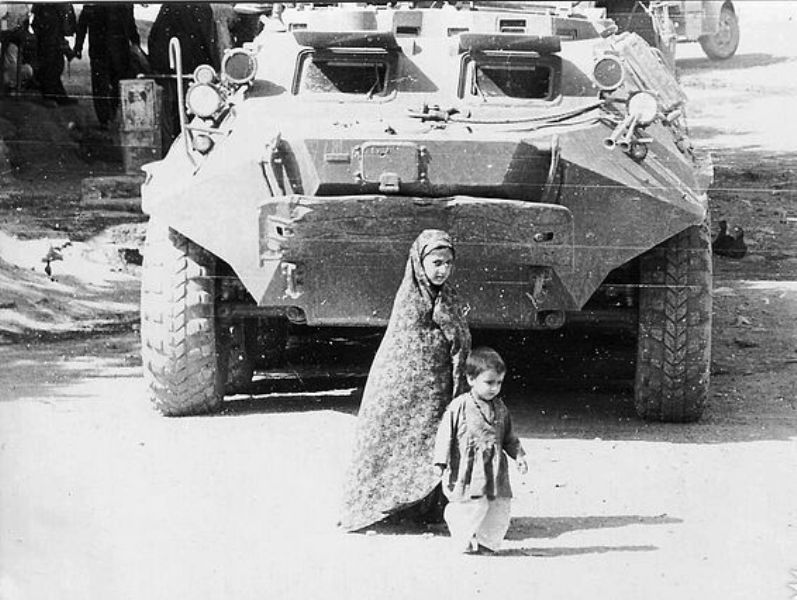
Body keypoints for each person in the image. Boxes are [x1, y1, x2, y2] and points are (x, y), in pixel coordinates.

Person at [339, 229, 471, 532]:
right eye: (436, 263)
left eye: (448, 263)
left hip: (439, 386)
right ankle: (393, 508)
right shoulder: (411, 301)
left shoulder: (448, 296)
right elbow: (407, 347)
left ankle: (429, 508)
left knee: (437, 440)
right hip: (409, 390)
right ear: (419, 263)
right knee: (405, 442)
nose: (443, 270)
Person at [433, 346, 528, 554]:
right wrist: (440, 461)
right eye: (489, 382)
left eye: (499, 383)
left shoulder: (500, 408)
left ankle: (488, 542)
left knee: (498, 506)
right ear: (471, 379)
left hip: (495, 470)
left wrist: (519, 455)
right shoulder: (459, 406)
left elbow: (509, 436)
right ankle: (463, 538)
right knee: (470, 506)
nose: (494, 388)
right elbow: (445, 434)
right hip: (469, 470)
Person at [147, 3, 218, 146]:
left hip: (172, 69)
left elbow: (153, 39)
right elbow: (209, 41)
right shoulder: (201, 7)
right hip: (191, 69)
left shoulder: (169, 7)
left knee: (175, 112)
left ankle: (179, 144)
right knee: (192, 111)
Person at [73, 4, 141, 129]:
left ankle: (110, 116)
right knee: (101, 84)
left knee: (115, 84)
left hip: (117, 50)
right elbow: (83, 22)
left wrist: (135, 42)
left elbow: (130, 23)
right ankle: (105, 119)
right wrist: (78, 46)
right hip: (102, 49)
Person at [30, 3, 77, 106]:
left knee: (56, 64)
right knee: (50, 65)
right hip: (47, 25)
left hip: (51, 25)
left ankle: (58, 95)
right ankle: (49, 96)